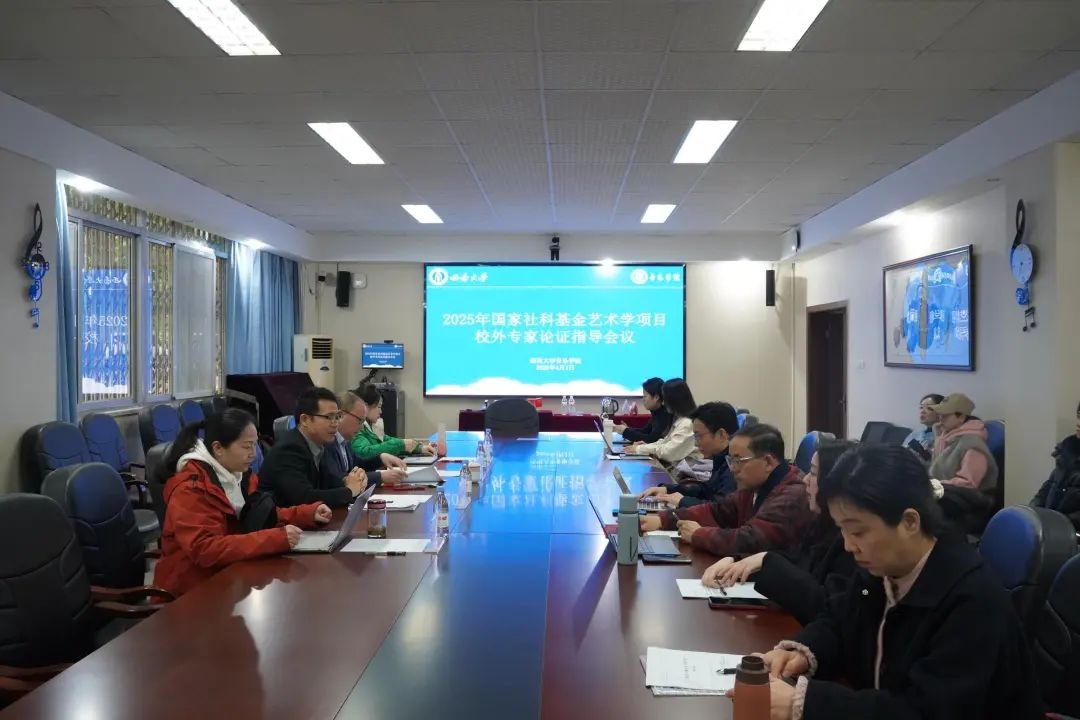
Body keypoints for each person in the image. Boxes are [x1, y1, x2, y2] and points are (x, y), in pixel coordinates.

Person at [751, 444, 1044, 720]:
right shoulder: (882, 569)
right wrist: (801, 652)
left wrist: (805, 703)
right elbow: (838, 622)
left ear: (910, 522)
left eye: (858, 532)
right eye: (842, 529)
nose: (848, 546)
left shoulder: (972, 601)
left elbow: (924, 711)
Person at [155, 409, 332, 597]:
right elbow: (205, 549)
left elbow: (260, 515)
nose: (253, 454)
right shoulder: (191, 487)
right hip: (191, 591)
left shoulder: (239, 476)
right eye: (247, 446)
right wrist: (275, 539)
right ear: (218, 448)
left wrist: (306, 514)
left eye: (255, 445)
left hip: (230, 577)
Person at [700, 440, 858, 625]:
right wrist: (737, 562)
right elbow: (795, 559)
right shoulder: (820, 523)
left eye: (814, 473)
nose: (805, 479)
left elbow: (824, 606)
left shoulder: (850, 542)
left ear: (834, 482)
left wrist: (766, 560)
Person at [640, 423, 810, 557]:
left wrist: (699, 534)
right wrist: (663, 520)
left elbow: (751, 540)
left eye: (739, 460)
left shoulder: (792, 494)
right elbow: (717, 511)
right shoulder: (754, 486)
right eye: (731, 461)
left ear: (768, 462)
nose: (733, 468)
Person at [258, 387, 369, 509]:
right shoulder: (289, 450)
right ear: (305, 420)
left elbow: (330, 481)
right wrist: (349, 491)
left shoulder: (320, 444)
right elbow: (303, 498)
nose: (335, 423)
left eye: (337, 417)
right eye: (329, 417)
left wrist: (351, 479)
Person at [638, 401, 739, 509]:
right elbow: (707, 490)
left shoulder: (736, 465)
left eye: (698, 436)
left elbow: (721, 509)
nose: (696, 444)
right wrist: (667, 489)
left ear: (721, 435)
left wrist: (682, 501)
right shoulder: (722, 458)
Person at [319, 390, 409, 492]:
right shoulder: (327, 442)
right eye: (360, 420)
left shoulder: (343, 441)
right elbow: (339, 479)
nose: (362, 427)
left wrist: (381, 458)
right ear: (341, 415)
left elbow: (358, 463)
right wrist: (380, 477)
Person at [927, 392, 998, 492]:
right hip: (942, 492)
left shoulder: (972, 444)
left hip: (963, 497)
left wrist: (934, 487)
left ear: (961, 417)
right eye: (939, 415)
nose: (940, 420)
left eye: (944, 416)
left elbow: (968, 484)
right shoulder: (945, 438)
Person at [625, 378, 702, 466]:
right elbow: (665, 442)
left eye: (664, 399)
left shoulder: (687, 423)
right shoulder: (679, 420)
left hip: (686, 471)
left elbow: (668, 452)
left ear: (674, 400)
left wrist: (640, 449)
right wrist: (645, 446)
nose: (663, 403)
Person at [350, 384, 435, 461]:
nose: (381, 411)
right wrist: (401, 444)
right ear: (365, 406)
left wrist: (419, 448)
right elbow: (364, 452)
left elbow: (387, 441)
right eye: (379, 407)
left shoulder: (373, 427)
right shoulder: (356, 429)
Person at [1031, 401, 1080, 532]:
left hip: (1070, 533)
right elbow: (1047, 489)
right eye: (1079, 415)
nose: (1078, 423)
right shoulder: (1068, 451)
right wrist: (1031, 513)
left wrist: (1054, 523)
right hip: (1051, 529)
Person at [613, 377, 672, 444]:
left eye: (645, 396)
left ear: (656, 397)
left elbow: (651, 440)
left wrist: (625, 431)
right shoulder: (656, 412)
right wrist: (627, 430)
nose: (643, 399)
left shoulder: (664, 415)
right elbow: (645, 431)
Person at [901, 393, 942, 461]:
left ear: (941, 412)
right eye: (921, 407)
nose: (922, 411)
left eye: (929, 408)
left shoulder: (944, 436)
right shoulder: (915, 433)